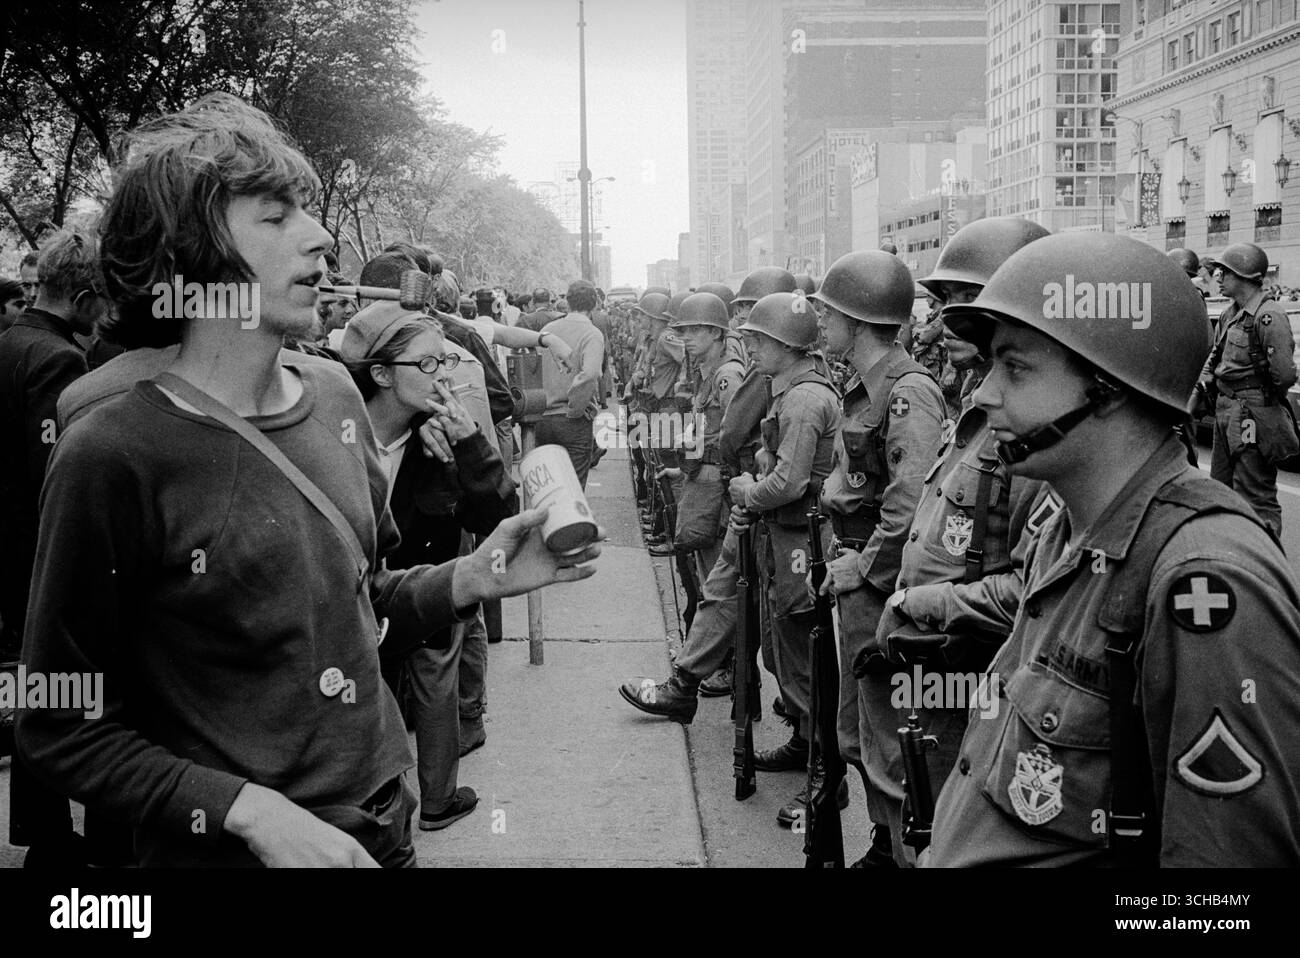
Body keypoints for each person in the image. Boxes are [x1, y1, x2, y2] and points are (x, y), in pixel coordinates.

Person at [16, 93, 601, 868]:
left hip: (381, 828)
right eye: (274, 216)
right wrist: (245, 812)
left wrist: (477, 573)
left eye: (307, 210)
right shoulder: (113, 450)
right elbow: (58, 720)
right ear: (187, 256)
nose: (321, 235)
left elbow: (362, 594)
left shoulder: (332, 396)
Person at [926, 231, 1300, 867]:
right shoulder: (1068, 529)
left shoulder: (1202, 575)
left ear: (1110, 387)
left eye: (1015, 368)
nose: (984, 394)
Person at [861, 217, 1056, 867]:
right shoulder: (975, 404)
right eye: (942, 302)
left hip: (981, 682)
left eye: (961, 301)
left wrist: (923, 606)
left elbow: (1040, 591)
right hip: (940, 675)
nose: (943, 318)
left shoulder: (1031, 428)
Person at [340, 303, 516, 832]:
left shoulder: (440, 437)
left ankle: (437, 801)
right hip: (352, 603)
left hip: (426, 594)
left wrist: (471, 446)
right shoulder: (332, 432)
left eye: (444, 361)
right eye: (428, 365)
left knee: (435, 682)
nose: (443, 375)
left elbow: (499, 515)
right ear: (381, 374)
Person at [807, 250, 946, 857]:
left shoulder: (907, 390)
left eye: (829, 312)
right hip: (857, 570)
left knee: (888, 735)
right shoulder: (865, 386)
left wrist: (863, 569)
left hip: (878, 580)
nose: (820, 321)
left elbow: (910, 501)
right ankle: (885, 844)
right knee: (858, 730)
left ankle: (901, 850)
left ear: (858, 319)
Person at [0, 231, 111, 867]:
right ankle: (54, 841)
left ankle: (43, 831)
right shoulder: (59, 361)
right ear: (89, 298)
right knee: (71, 693)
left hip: (13, 554)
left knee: (41, 690)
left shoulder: (11, 342)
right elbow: (58, 475)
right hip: (41, 554)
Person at [1195, 242, 1297, 538]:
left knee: (1255, 495)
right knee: (1221, 490)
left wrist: (1259, 399)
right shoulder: (1230, 314)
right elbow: (1215, 356)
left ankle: (1265, 567)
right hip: (1226, 410)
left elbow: (1284, 374)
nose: (1218, 277)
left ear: (1243, 274)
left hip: (1252, 412)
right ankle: (1234, 556)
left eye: (1224, 272)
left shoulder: (1268, 316)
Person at [535, 280, 605, 489]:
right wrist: (576, 409)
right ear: (594, 304)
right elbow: (590, 374)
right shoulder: (592, 334)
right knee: (573, 491)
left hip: (543, 418)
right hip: (572, 421)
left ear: (568, 301)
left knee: (549, 488)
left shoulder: (548, 330)